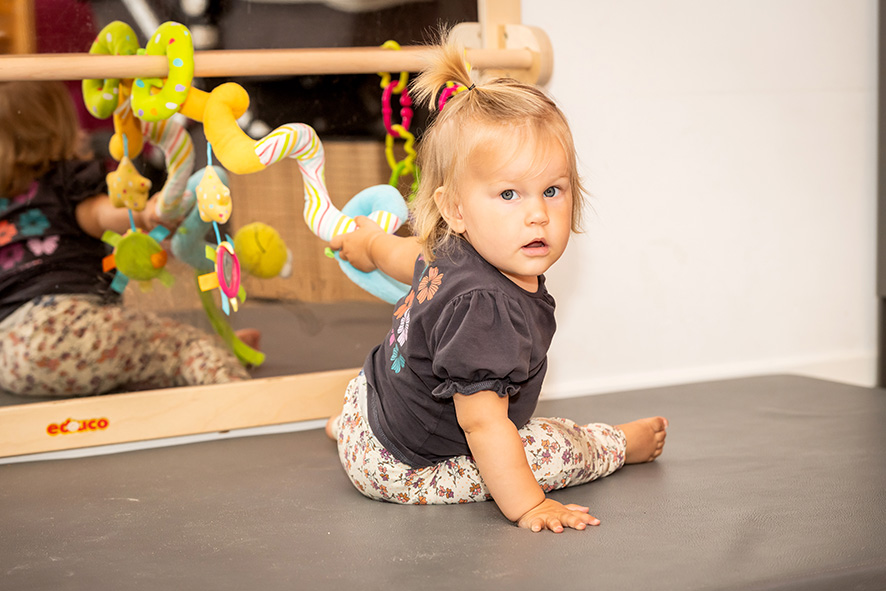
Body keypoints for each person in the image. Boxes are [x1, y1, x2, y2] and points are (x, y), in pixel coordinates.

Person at [325, 42, 668, 533]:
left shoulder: (451, 244)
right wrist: (531, 505)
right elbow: (483, 424)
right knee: (550, 446)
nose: (537, 214)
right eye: (509, 194)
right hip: (403, 468)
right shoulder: (486, 310)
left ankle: (349, 435)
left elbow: (405, 257)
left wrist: (371, 244)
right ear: (455, 209)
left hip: (365, 405)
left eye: (552, 190)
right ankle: (616, 445)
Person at [0, 80, 257, 397]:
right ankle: (229, 379)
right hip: (67, 328)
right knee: (182, 346)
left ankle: (211, 354)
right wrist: (148, 212)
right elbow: (100, 214)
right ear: (55, 132)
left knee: (126, 354)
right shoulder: (64, 181)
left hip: (10, 356)